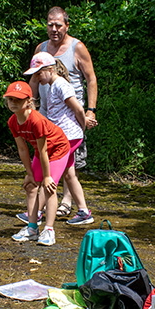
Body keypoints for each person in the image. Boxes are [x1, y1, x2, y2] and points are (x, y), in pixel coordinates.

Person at [17, 6, 98, 222]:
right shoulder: (41, 49)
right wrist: (28, 106)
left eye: (58, 25)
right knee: (67, 168)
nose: (54, 29)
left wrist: (89, 113)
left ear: (66, 26)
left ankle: (38, 212)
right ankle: (82, 210)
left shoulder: (76, 48)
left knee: (51, 168)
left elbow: (90, 79)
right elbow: (33, 81)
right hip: (48, 115)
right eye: (50, 25)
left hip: (71, 119)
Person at [24, 52, 94, 225]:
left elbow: (77, 109)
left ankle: (36, 212)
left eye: (39, 73)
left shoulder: (61, 85)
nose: (37, 77)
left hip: (67, 137)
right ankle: (84, 212)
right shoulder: (53, 85)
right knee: (70, 175)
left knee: (51, 176)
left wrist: (82, 128)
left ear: (50, 69)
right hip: (65, 135)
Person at [4, 81, 71, 246]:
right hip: (40, 151)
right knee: (31, 185)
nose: (13, 103)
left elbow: (43, 151)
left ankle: (49, 230)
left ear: (28, 101)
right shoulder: (13, 122)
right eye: (10, 99)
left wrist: (47, 176)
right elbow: (22, 149)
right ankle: (32, 228)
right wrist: (29, 173)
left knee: (49, 187)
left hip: (58, 148)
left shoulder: (36, 120)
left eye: (18, 100)